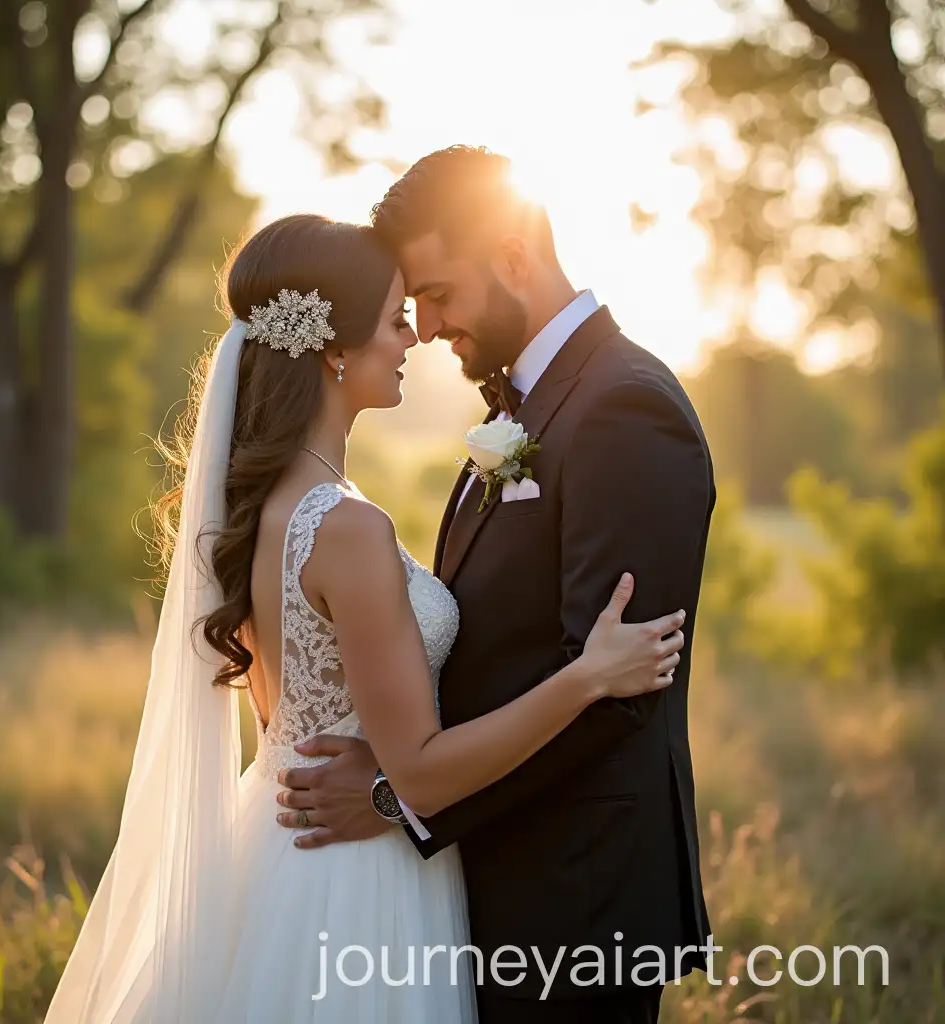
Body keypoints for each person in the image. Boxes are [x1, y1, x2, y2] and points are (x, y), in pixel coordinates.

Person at [43, 212, 686, 1024]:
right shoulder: (346, 527)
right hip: (353, 881)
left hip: (279, 851)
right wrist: (587, 678)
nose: (412, 339)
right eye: (393, 320)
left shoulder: (264, 510)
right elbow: (415, 771)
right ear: (334, 351)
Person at [274, 148, 717, 1024]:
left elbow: (618, 687)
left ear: (513, 257)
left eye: (437, 293)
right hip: (505, 877)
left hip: (577, 900)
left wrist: (402, 796)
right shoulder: (524, 406)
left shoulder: (626, 406)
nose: (427, 327)